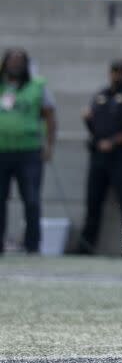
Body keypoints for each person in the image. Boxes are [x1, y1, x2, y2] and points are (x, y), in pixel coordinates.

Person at [79, 59, 122, 255]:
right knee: (93, 202)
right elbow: (95, 126)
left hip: (121, 158)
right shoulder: (101, 96)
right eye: (114, 72)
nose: (117, 75)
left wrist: (115, 142)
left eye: (121, 72)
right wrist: (88, 121)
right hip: (99, 157)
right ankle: (86, 245)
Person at [0, 49, 56, 255]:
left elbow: (50, 116)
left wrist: (50, 145)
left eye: (19, 61)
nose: (15, 64)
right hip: (2, 150)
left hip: (29, 152)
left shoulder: (37, 86)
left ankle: (32, 245)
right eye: (11, 61)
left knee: (31, 199)